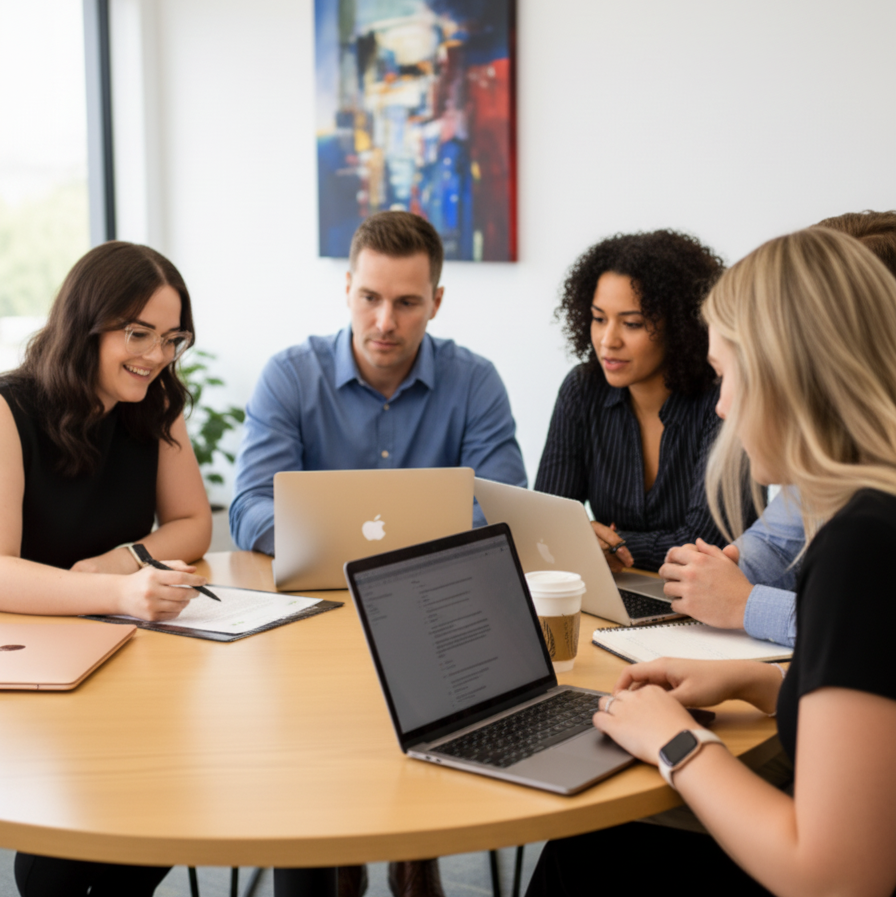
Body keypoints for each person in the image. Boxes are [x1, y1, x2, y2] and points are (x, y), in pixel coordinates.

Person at [526, 226, 896, 897]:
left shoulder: (862, 545)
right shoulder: (868, 513)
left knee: (583, 854)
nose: (721, 406)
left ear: (790, 374)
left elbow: (840, 877)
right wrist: (754, 682)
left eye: (726, 376)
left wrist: (676, 742)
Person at [229, 210, 526, 897]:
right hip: (311, 619)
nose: (385, 320)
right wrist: (348, 540)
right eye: (370, 297)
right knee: (308, 735)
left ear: (437, 302)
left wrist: (384, 552)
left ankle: (410, 832)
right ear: (346, 289)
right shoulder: (290, 376)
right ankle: (340, 842)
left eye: (406, 302)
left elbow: (504, 501)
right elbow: (248, 507)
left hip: (436, 617)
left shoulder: (474, 381)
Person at [0, 241, 213, 896]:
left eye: (171, 338)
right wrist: (119, 589)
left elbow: (194, 523)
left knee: (150, 825)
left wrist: (124, 560)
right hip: (30, 660)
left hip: (121, 649)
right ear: (86, 324)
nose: (156, 356)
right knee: (64, 856)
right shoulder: (10, 410)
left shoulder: (156, 401)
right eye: (137, 333)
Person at [660, 210, 896, 647]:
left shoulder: (866, 530)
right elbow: (777, 543)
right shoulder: (836, 478)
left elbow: (866, 638)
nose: (722, 407)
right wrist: (722, 572)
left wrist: (745, 604)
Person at [534, 230, 737, 572]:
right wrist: (579, 539)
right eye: (599, 319)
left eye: (632, 323)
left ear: (680, 325)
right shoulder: (582, 390)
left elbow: (707, 543)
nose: (607, 341)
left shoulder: (723, 399)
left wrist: (607, 543)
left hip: (708, 603)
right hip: (614, 591)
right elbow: (546, 524)